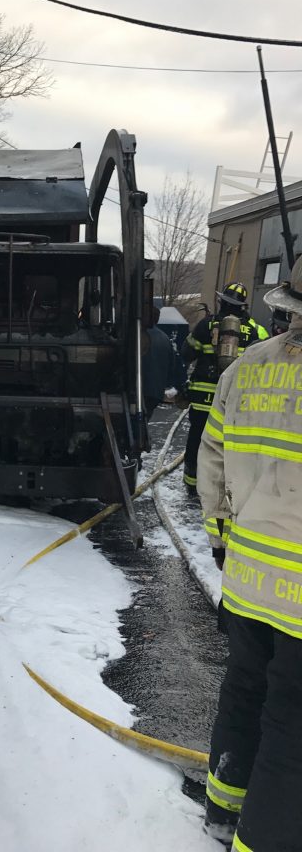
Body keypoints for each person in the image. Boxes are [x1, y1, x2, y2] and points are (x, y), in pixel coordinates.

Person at [197, 254, 302, 851]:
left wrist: (221, 540)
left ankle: (222, 810)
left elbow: (211, 460)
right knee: (292, 727)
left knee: (243, 694)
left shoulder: (247, 367)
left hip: (247, 580)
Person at [181, 282, 268, 495]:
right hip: (234, 400)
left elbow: (186, 353)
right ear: (243, 306)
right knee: (227, 443)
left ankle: (192, 484)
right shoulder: (257, 330)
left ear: (222, 302)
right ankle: (222, 486)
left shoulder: (206, 325)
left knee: (197, 438)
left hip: (203, 399)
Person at [141, 306, 186, 421]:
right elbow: (172, 366)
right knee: (144, 418)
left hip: (139, 388)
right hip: (156, 391)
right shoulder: (165, 338)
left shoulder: (138, 336)